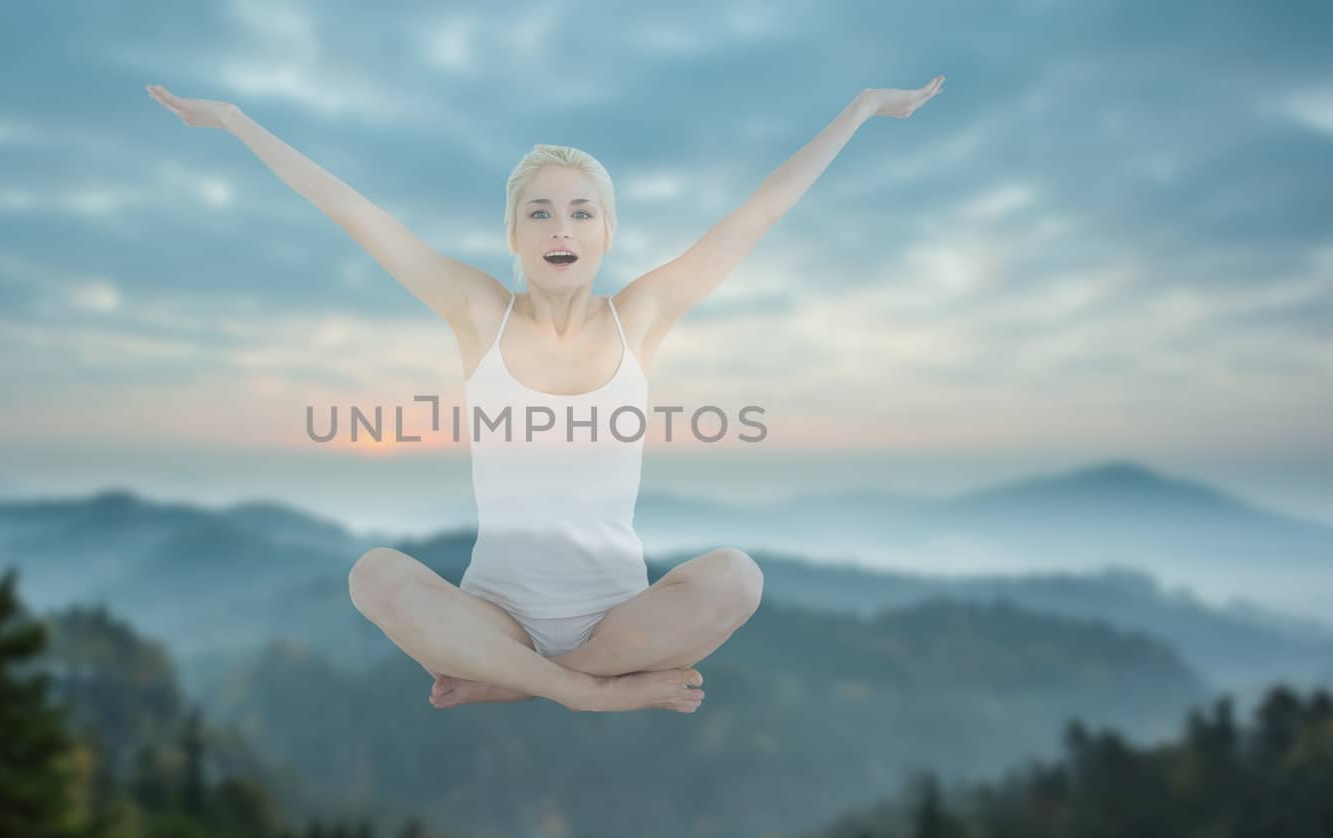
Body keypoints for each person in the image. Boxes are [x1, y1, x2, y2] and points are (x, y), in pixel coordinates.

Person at [147, 75, 944, 714]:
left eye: (580, 211)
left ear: (605, 234)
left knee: (739, 578)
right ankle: (582, 692)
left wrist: (862, 108)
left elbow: (759, 213)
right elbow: (355, 214)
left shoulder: (642, 317)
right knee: (373, 576)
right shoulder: (480, 315)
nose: (560, 226)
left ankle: (520, 681)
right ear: (515, 237)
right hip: (492, 616)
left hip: (619, 618)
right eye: (540, 212)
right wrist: (237, 122)